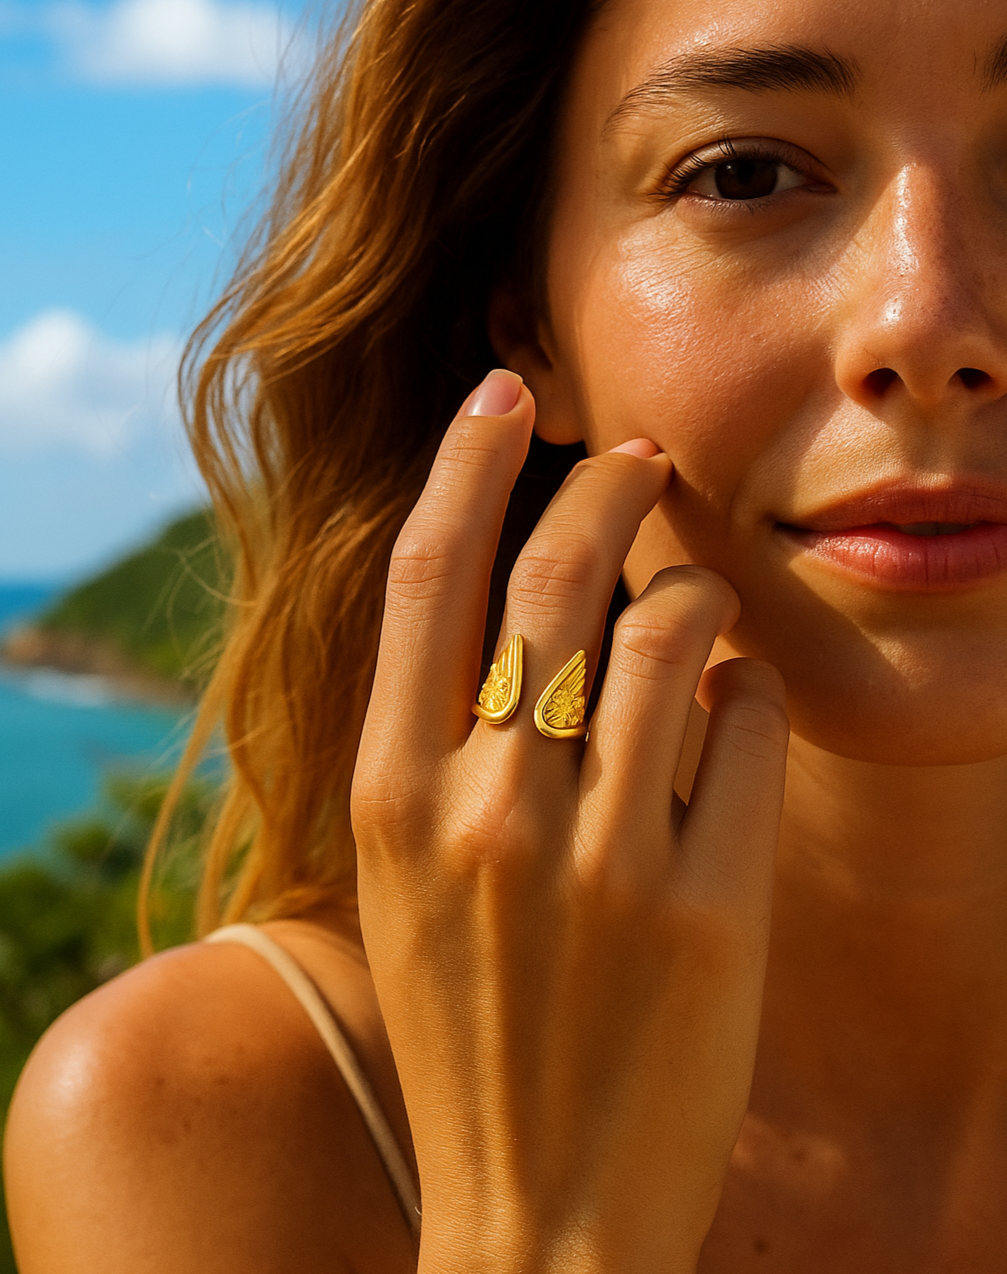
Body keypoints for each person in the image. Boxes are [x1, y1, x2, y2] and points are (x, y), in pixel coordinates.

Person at [7, 0, 1007, 1265]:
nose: (928, 323)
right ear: (530, 318)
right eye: (742, 174)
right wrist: (541, 1230)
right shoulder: (207, 1116)